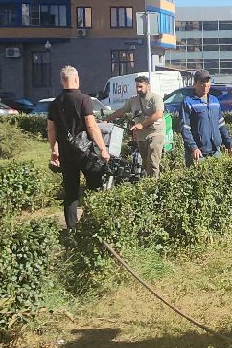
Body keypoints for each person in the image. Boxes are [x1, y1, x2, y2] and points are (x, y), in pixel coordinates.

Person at [46, 66, 110, 228]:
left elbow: (51, 129)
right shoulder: (84, 99)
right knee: (95, 186)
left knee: (71, 193)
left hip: (66, 153)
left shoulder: (55, 102)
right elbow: (91, 126)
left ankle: (72, 228)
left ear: (62, 81)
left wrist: (54, 150)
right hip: (85, 152)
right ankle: (91, 222)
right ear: (77, 79)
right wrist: (103, 149)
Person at [173, 69, 232, 165]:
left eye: (207, 81)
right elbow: (185, 128)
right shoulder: (188, 102)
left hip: (215, 152)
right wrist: (193, 147)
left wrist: (230, 145)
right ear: (195, 84)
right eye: (202, 82)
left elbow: (221, 125)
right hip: (198, 154)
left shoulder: (215, 101)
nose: (205, 85)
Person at [110, 73, 166, 179]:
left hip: (155, 132)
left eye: (140, 86)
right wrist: (106, 119)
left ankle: (154, 185)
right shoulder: (133, 100)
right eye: (137, 87)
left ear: (148, 86)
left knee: (153, 161)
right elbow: (121, 111)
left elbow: (158, 114)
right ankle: (149, 181)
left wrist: (142, 124)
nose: (138, 89)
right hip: (141, 135)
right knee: (145, 163)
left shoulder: (156, 98)